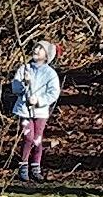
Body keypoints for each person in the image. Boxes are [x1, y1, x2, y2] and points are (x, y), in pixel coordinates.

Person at [8, 40, 63, 184]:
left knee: (37, 139)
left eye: (41, 48)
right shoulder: (24, 69)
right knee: (28, 137)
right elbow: (15, 88)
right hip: (24, 111)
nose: (36, 50)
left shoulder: (50, 74)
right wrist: (24, 84)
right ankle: (23, 166)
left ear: (47, 55)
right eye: (36, 47)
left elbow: (53, 93)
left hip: (40, 112)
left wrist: (39, 100)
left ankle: (36, 167)